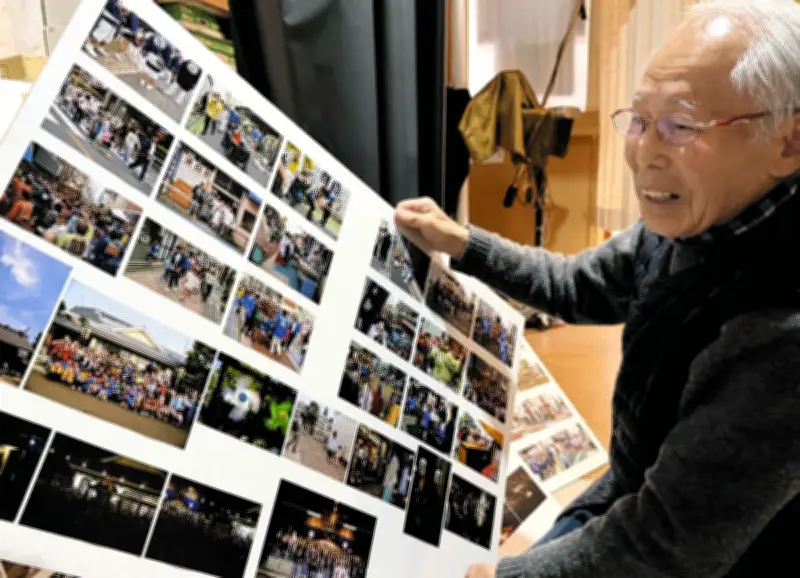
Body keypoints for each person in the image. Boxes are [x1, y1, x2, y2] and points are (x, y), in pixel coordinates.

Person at [395, 2, 800, 576]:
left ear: (789, 141)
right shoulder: (699, 220)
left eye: (681, 125)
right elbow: (577, 284)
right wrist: (464, 241)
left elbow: (665, 546)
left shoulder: (782, 331)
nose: (644, 153)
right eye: (637, 119)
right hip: (634, 493)